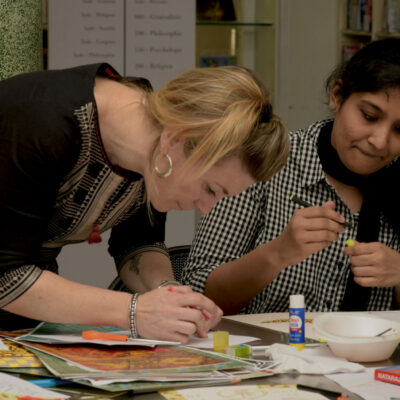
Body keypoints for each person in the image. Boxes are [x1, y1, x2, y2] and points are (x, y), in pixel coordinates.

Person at [0, 63, 289, 342]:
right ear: (176, 139)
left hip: (22, 319)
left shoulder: (156, 148)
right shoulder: (45, 122)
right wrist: (134, 311)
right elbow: (5, 275)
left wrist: (171, 294)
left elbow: (136, 244)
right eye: (210, 188)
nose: (206, 208)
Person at [182, 38, 400, 315]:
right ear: (337, 95)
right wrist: (277, 253)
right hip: (263, 355)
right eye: (369, 116)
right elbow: (197, 293)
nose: (380, 141)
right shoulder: (266, 163)